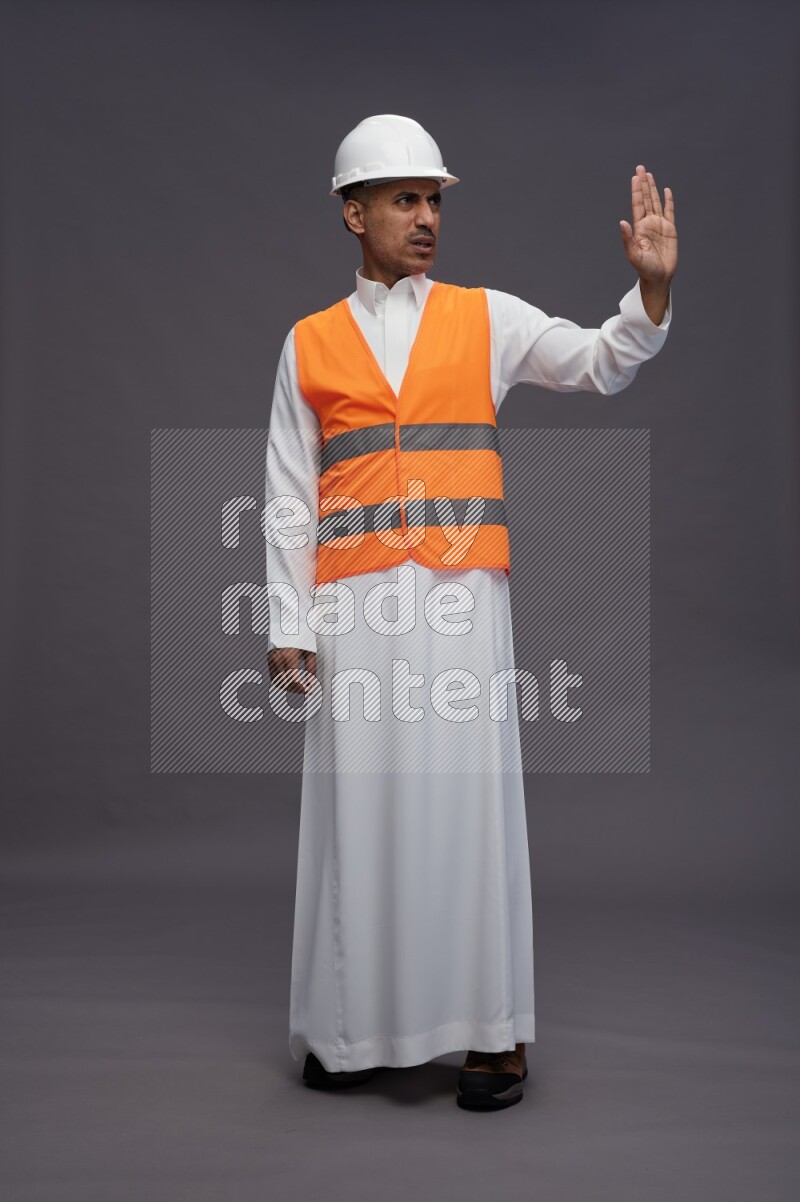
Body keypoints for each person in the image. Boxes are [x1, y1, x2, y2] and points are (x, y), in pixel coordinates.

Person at [264, 114, 676, 1110]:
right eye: (403, 198)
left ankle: (494, 1036)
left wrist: (650, 290)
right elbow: (286, 488)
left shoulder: (484, 317)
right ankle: (352, 1028)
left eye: (433, 199)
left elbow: (593, 359)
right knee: (357, 812)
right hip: (353, 604)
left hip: (459, 603)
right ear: (351, 210)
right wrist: (288, 623)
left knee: (466, 807)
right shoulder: (307, 344)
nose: (424, 217)